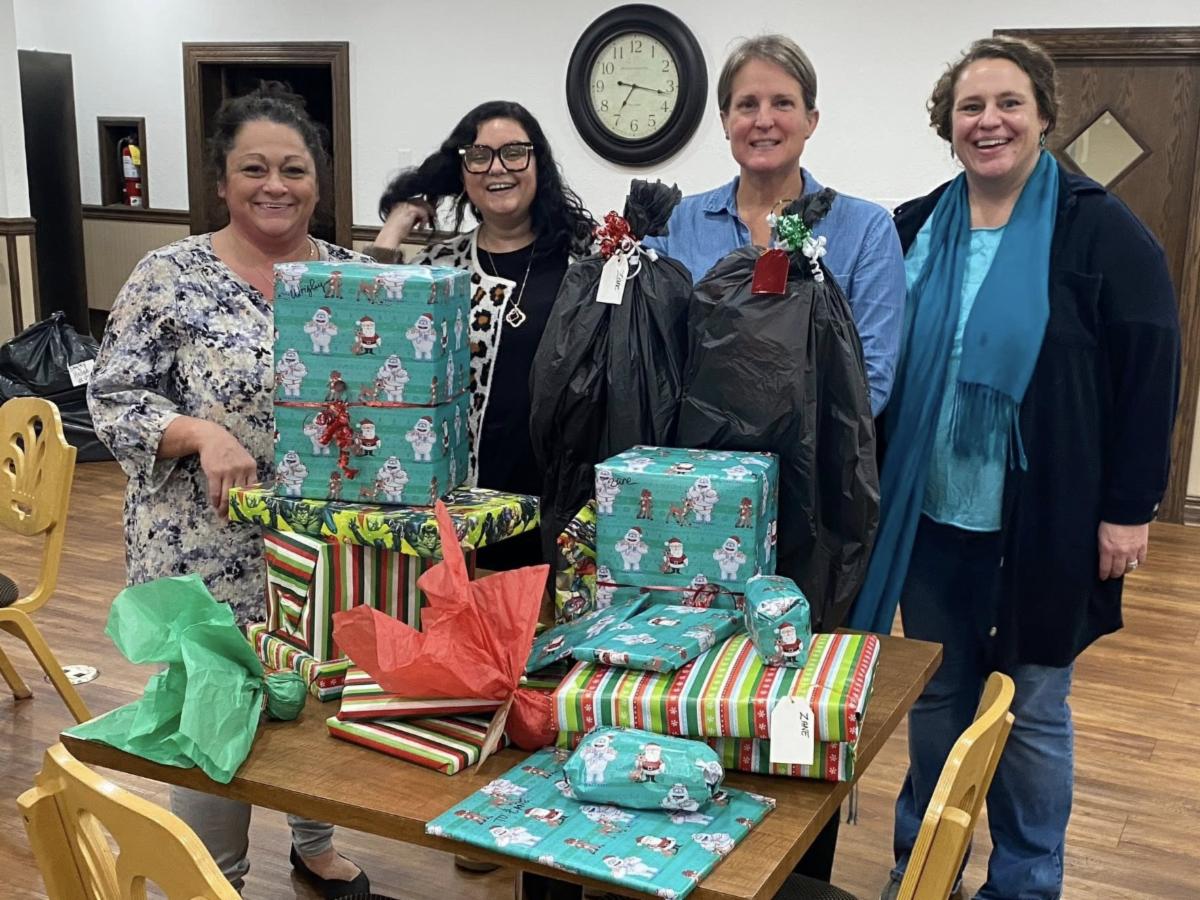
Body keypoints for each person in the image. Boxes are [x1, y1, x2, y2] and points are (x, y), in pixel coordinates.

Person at [854, 38, 1180, 900]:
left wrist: (1129, 508)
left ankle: (1026, 883)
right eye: (971, 106)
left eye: (1009, 104)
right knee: (937, 699)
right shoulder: (913, 227)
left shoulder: (1101, 230)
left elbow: (1151, 370)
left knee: (1030, 710)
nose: (989, 121)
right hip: (927, 518)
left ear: (1042, 117)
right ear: (947, 123)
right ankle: (923, 869)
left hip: (1046, 521)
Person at [88, 83, 372, 898]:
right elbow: (113, 396)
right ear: (222, 181)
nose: (274, 185)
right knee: (215, 707)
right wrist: (199, 433)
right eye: (254, 168)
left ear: (318, 181)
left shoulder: (351, 277)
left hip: (321, 544)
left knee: (319, 690)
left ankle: (314, 842)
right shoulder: (168, 275)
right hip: (204, 545)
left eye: (293, 169)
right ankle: (217, 878)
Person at [367, 101, 594, 569]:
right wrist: (392, 232)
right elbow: (373, 343)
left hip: (566, 500)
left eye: (514, 152)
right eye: (479, 155)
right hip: (466, 504)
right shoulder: (440, 266)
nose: (497, 168)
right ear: (462, 172)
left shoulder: (586, 259)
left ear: (538, 163)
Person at [642, 34, 905, 416]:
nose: (764, 121)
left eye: (782, 103)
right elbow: (652, 360)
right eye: (747, 104)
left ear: (810, 120)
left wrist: (778, 437)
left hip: (817, 451)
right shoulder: (673, 226)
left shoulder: (867, 230)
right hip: (690, 451)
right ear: (725, 121)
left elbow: (871, 379)